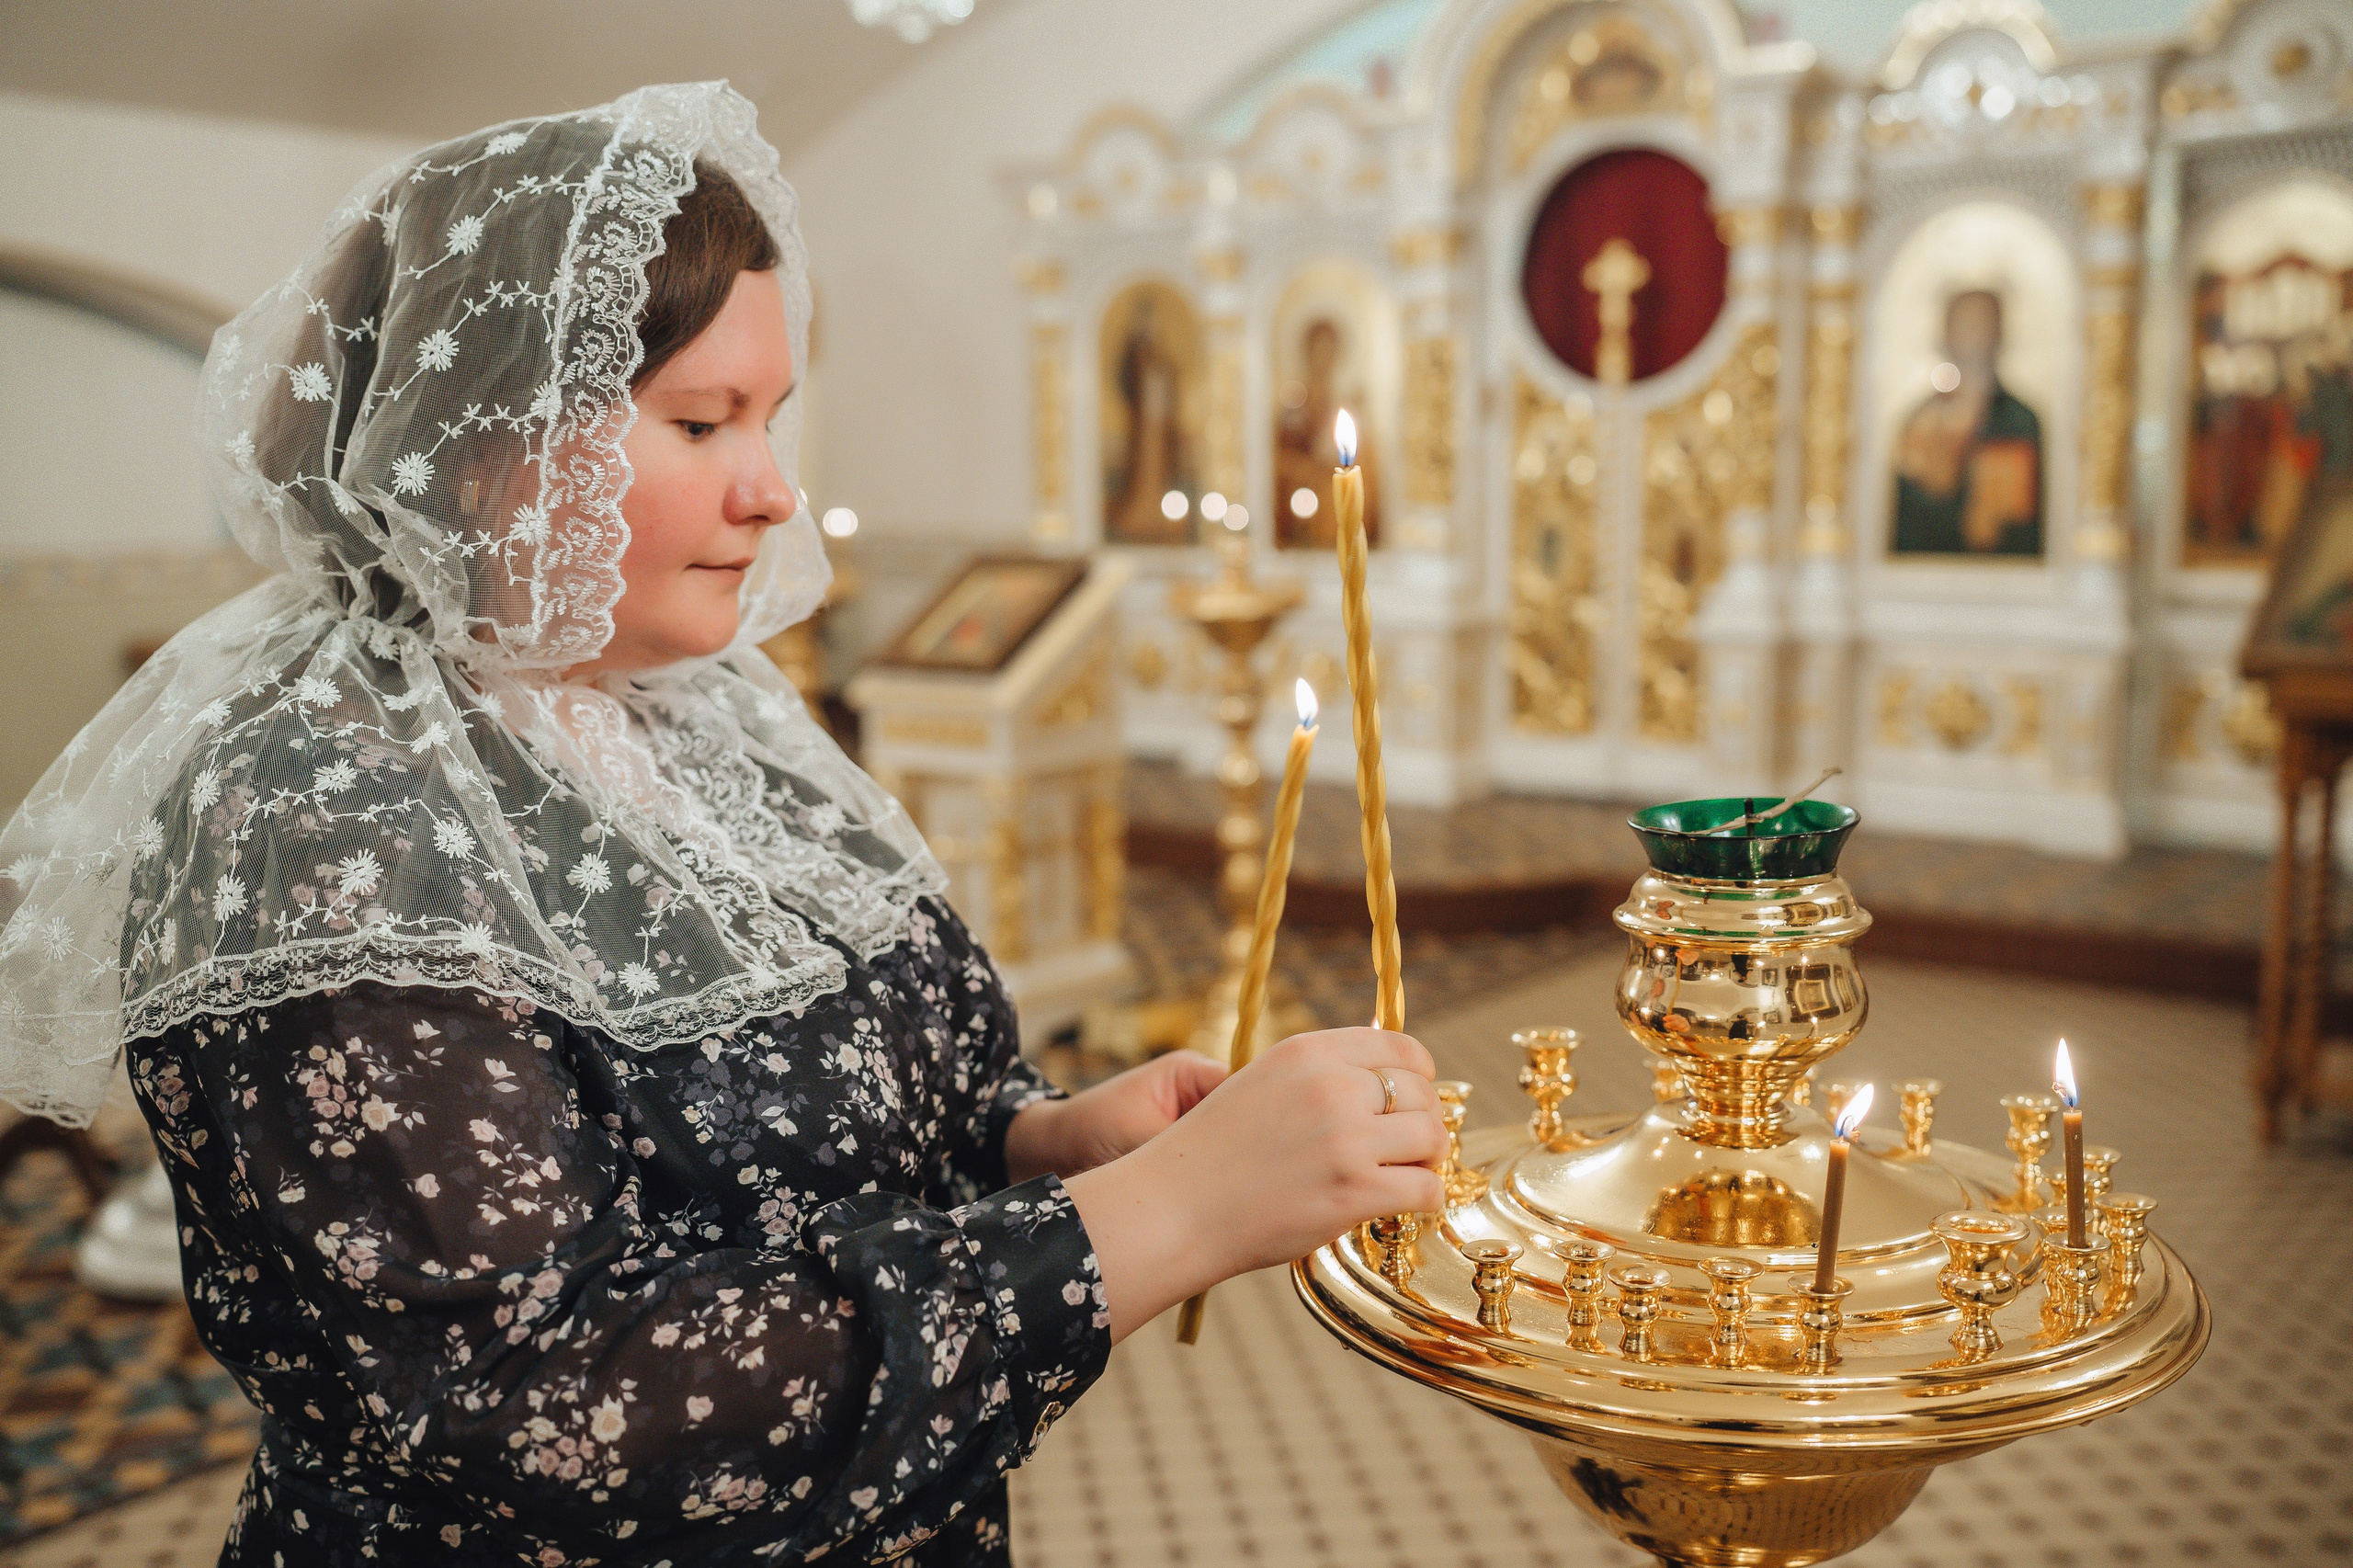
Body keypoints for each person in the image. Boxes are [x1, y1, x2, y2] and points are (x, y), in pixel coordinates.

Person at [0, 84, 1443, 1567]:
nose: (773, 491)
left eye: (769, 415)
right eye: (704, 420)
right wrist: (1163, 1221)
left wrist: (1047, 1142)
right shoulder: (309, 807)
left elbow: (851, 1131)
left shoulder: (703, 709)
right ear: (481, 442)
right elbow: (543, 1406)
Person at [1891, 289, 2043, 557]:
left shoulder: (2019, 421)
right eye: (1963, 323)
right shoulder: (1919, 420)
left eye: (1981, 323)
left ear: (1999, 333)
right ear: (1945, 333)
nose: (1972, 336)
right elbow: (1905, 517)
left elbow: (2020, 526)